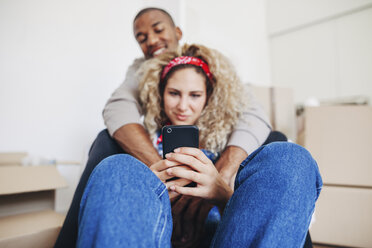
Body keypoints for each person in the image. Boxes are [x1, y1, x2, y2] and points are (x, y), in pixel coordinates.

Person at [55, 7, 275, 248]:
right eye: (141, 37)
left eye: (158, 30)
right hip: (158, 190)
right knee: (105, 141)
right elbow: (117, 108)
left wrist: (221, 179)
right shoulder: (140, 72)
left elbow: (254, 114)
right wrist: (161, 174)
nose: (151, 40)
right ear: (158, 94)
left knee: (276, 142)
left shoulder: (215, 69)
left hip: (214, 191)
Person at [76, 44, 323, 247]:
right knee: (118, 168)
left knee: (290, 157)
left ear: (208, 98)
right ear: (160, 95)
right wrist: (146, 190)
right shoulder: (142, 144)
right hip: (153, 232)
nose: (183, 106)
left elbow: (282, 213)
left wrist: (221, 192)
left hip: (225, 233)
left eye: (194, 95)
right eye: (174, 93)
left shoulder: (232, 146)